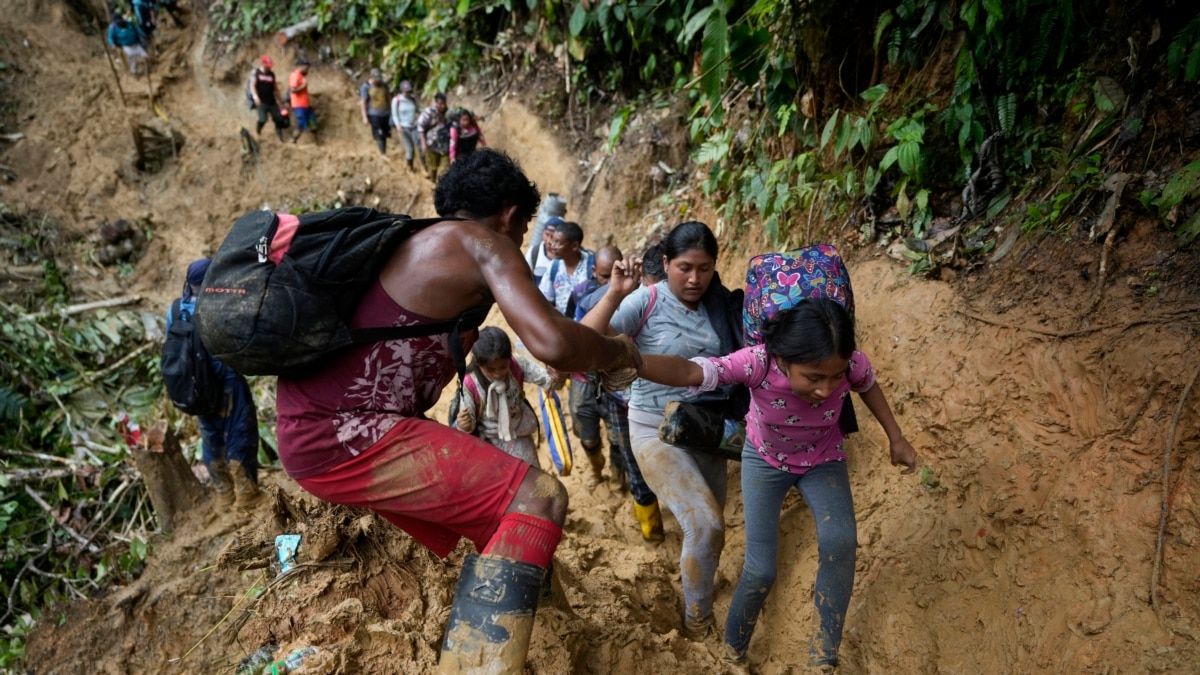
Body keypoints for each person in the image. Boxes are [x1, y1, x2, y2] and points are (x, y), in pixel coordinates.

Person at [275, 149, 642, 672]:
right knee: (539, 497)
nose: (518, 243)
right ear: (511, 215)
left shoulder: (418, 240)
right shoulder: (483, 243)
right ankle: (477, 664)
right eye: (522, 230)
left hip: (324, 424)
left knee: (502, 514)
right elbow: (553, 343)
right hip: (342, 431)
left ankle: (545, 625)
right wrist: (619, 353)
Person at [636, 299, 918, 670]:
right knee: (761, 568)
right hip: (765, 461)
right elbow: (692, 371)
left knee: (841, 543)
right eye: (813, 377)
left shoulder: (850, 363)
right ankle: (733, 649)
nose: (825, 389)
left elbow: (868, 385)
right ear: (783, 358)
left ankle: (823, 657)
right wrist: (634, 362)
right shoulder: (758, 362)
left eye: (835, 378)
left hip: (823, 459)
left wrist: (896, 437)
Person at [580, 221, 744, 639]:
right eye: (684, 267)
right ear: (666, 263)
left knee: (713, 525)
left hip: (707, 430)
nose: (694, 279)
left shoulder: (720, 305)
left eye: (705, 268)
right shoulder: (645, 300)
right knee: (704, 525)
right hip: (654, 428)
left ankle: (699, 587)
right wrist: (616, 291)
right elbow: (583, 343)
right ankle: (697, 622)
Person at [572, 245, 662, 540]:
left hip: (656, 396)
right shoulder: (598, 301)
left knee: (635, 456)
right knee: (625, 454)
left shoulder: (687, 305)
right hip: (617, 395)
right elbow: (579, 341)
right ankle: (652, 529)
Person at [167, 258, 263, 512]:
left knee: (211, 439)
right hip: (227, 384)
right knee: (239, 433)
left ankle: (223, 496)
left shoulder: (175, 309)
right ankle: (246, 495)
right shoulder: (217, 307)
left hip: (196, 391)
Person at [455, 327, 559, 467]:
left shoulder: (517, 364)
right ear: (478, 364)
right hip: (487, 439)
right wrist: (464, 425)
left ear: (510, 357)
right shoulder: (469, 384)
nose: (498, 374)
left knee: (532, 476)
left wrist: (558, 375)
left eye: (503, 367)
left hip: (518, 433)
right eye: (490, 370)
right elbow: (468, 424)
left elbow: (549, 381)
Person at [538, 220, 593, 317]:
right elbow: (544, 299)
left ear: (574, 246)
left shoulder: (592, 267)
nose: (553, 246)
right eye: (553, 240)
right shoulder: (553, 267)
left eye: (558, 243)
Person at [251, 55, 286, 142]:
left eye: (270, 65)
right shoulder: (256, 73)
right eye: (267, 65)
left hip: (271, 101)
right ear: (262, 64)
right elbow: (252, 86)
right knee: (263, 119)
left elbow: (275, 88)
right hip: (261, 101)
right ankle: (257, 132)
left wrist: (280, 100)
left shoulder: (271, 74)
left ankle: (280, 138)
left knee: (278, 118)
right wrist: (255, 97)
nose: (269, 67)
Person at [416, 92, 449, 181]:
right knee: (433, 166)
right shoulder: (429, 112)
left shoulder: (446, 111)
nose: (443, 106)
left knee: (445, 166)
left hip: (443, 144)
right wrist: (423, 143)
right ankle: (432, 181)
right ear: (436, 102)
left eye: (444, 103)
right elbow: (420, 127)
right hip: (431, 143)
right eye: (441, 104)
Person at [391, 80, 422, 170]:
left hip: (414, 126)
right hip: (403, 128)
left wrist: (426, 112)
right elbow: (394, 114)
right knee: (410, 148)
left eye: (409, 91)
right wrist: (398, 125)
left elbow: (417, 109)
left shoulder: (412, 99)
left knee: (419, 146)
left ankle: (423, 166)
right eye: (406, 91)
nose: (408, 92)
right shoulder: (396, 100)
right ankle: (410, 166)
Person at [106, 12, 148, 79]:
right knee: (132, 59)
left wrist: (144, 34)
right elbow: (110, 38)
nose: (120, 22)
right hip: (127, 46)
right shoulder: (113, 27)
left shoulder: (128, 23)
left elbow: (137, 29)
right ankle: (134, 72)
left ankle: (147, 69)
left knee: (145, 56)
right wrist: (112, 44)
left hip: (136, 44)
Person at [359, 69, 391, 155]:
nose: (378, 81)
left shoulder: (384, 85)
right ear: (371, 77)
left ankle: (383, 152)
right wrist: (364, 117)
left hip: (385, 113)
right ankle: (382, 153)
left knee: (384, 134)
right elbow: (363, 102)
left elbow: (388, 98)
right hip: (374, 114)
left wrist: (392, 112)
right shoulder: (366, 87)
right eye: (376, 79)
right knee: (379, 134)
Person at [288, 58, 316, 143]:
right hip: (299, 105)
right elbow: (292, 89)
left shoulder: (301, 76)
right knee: (301, 125)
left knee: (313, 123)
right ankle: (293, 140)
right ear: (301, 66)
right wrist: (303, 86)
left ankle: (314, 140)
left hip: (305, 105)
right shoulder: (295, 75)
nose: (308, 70)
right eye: (307, 68)